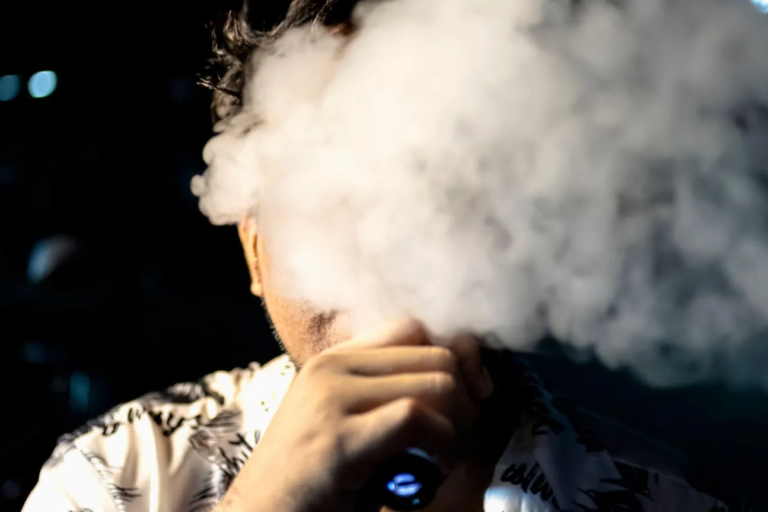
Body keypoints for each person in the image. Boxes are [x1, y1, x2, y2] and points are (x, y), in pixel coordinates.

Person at [21, 1, 752, 511]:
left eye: (434, 184)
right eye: (323, 195)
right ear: (255, 252)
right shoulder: (113, 477)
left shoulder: (671, 501)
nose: (378, 249)